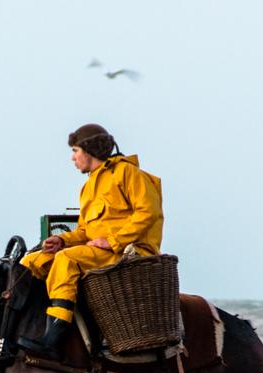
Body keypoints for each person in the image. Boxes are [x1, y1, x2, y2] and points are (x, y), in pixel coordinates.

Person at [18, 123, 164, 359]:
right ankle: (20, 327)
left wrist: (113, 241)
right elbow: (85, 231)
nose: (73, 158)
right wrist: (61, 240)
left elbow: (149, 212)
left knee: (66, 260)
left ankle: (53, 338)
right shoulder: (88, 187)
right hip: (97, 252)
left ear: (89, 149)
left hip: (127, 251)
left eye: (75, 151)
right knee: (31, 261)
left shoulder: (128, 173)